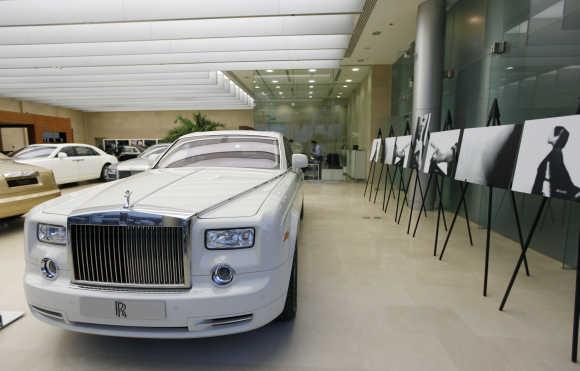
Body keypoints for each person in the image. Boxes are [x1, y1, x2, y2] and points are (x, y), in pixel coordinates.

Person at [532, 126, 580, 200]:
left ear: (557, 136)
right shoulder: (556, 153)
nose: (549, 134)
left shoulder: (556, 153)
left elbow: (554, 179)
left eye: (551, 132)